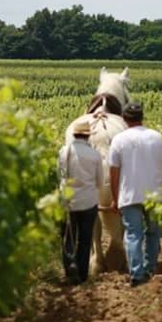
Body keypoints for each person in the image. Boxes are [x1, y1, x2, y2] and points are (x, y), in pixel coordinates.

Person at [107, 103, 162, 287]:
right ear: (142, 117)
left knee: (133, 234)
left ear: (125, 119)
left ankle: (137, 274)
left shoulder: (119, 140)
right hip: (154, 195)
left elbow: (114, 172)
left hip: (129, 194)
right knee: (153, 232)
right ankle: (150, 269)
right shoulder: (157, 137)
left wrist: (115, 197)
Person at [58, 120, 103, 285]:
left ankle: (70, 269)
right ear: (87, 136)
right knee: (85, 238)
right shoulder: (94, 154)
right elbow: (100, 181)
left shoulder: (64, 151)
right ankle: (83, 274)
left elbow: (60, 176)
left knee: (68, 236)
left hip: (68, 201)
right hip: (88, 202)